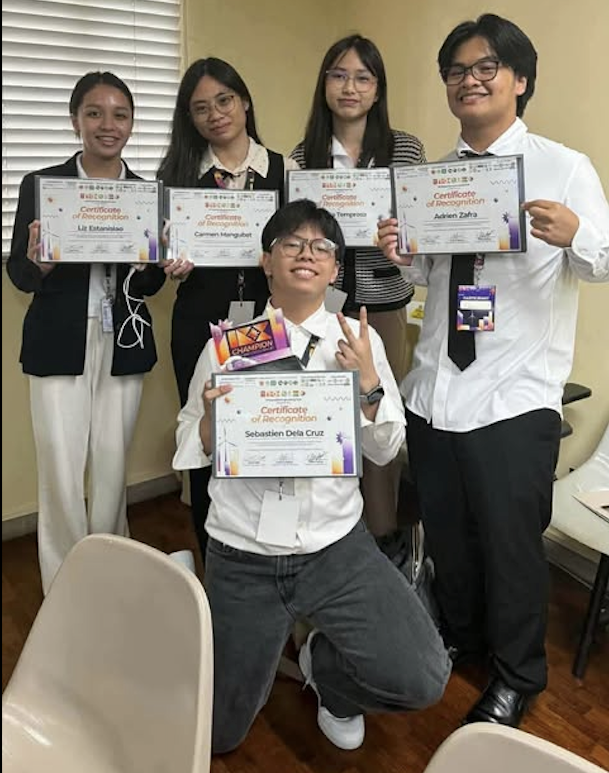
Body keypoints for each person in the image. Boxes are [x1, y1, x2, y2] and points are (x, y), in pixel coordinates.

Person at [378, 13, 609, 727]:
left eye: (484, 68)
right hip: (435, 389)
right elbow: (425, 274)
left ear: (519, 80)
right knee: (447, 533)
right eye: (455, 71)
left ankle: (517, 676)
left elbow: (601, 260)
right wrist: (398, 250)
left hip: (514, 395)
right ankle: (461, 636)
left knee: (512, 550)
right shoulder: (433, 179)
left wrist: (578, 234)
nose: (468, 81)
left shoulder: (562, 166)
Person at [173, 200, 450, 754]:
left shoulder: (357, 344)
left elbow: (386, 447)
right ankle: (189, 614)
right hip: (242, 549)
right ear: (266, 263)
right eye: (290, 244)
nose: (307, 253)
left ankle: (327, 672)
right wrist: (208, 423)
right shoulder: (228, 345)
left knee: (423, 677)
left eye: (322, 246)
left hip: (334, 546)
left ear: (334, 270)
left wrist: (369, 385)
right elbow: (188, 444)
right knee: (219, 737)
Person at [7, 71, 166, 594]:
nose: (107, 125)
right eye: (94, 113)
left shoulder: (147, 193)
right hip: (59, 339)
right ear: (75, 120)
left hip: (122, 340)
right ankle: (66, 584)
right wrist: (42, 265)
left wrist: (156, 264)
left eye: (120, 115)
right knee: (59, 460)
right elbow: (21, 275)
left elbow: (151, 281)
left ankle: (111, 568)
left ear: (132, 124)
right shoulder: (43, 186)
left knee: (112, 462)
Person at [158, 58, 297, 558]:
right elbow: (152, 274)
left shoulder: (284, 170)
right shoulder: (176, 175)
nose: (215, 114)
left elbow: (305, 247)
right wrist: (167, 262)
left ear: (244, 103)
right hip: (199, 323)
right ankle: (213, 554)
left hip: (266, 322)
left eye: (223, 100)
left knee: (267, 430)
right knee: (206, 435)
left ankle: (269, 556)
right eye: (200, 108)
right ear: (190, 119)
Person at [291, 34, 426, 540]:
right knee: (326, 423)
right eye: (339, 75)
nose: (350, 87)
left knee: (380, 421)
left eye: (363, 77)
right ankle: (334, 538)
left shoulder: (405, 148)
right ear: (324, 84)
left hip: (384, 306)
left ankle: (383, 535)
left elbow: (417, 233)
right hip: (322, 310)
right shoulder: (304, 156)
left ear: (377, 90)